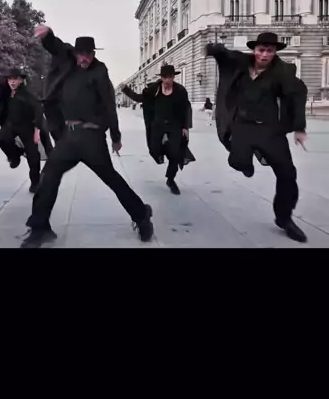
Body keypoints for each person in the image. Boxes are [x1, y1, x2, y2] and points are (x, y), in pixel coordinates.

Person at [20, 26, 154, 248]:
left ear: (93, 54)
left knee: (112, 179)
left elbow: (109, 104)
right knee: (48, 178)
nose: (85, 58)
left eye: (89, 54)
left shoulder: (99, 71)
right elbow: (55, 45)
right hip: (68, 138)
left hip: (92, 137)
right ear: (75, 53)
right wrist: (47, 34)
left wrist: (115, 136)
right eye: (82, 54)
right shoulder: (66, 62)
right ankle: (39, 228)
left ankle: (141, 215)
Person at [206, 31, 308, 243]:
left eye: (270, 51)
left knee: (287, 174)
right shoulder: (241, 63)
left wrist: (299, 127)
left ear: (275, 52)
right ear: (254, 50)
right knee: (237, 161)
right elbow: (225, 55)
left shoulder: (283, 72)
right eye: (261, 50)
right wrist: (214, 50)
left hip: (270, 130)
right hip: (242, 126)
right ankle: (246, 162)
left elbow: (298, 95)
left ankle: (285, 218)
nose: (265, 55)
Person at [122, 65, 195, 195]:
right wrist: (125, 89)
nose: (167, 80)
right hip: (157, 125)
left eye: (169, 77)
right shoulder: (154, 90)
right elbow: (139, 98)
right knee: (154, 150)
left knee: (176, 154)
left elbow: (186, 109)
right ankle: (166, 149)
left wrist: (185, 127)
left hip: (174, 125)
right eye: (164, 77)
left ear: (173, 77)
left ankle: (171, 179)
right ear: (161, 77)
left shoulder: (180, 91)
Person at [0, 67, 43, 193]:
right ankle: (15, 155)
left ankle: (35, 182)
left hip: (27, 127)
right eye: (10, 79)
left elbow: (38, 110)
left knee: (33, 156)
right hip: (11, 124)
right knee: (0, 139)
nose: (12, 82)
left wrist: (37, 130)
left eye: (15, 79)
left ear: (21, 80)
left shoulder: (28, 95)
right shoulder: (5, 86)